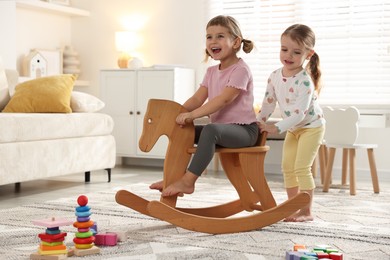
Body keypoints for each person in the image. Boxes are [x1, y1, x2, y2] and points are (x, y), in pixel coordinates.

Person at [150, 15, 258, 197]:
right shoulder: (211, 72)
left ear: (236, 42)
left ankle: (188, 181)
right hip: (222, 130)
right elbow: (196, 99)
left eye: (220, 36)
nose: (213, 41)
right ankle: (173, 177)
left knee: (210, 130)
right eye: (209, 37)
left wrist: (193, 115)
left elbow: (223, 100)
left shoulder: (241, 70)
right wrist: (177, 114)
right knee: (183, 130)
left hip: (245, 131)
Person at [257, 24, 325, 222]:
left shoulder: (305, 81)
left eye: (296, 52)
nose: (288, 55)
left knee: (301, 167)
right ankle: (293, 207)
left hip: (311, 127)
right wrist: (258, 122)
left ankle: (306, 211)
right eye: (284, 49)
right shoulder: (274, 76)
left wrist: (274, 127)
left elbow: (299, 114)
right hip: (293, 128)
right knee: (287, 167)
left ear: (308, 54)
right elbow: (268, 104)